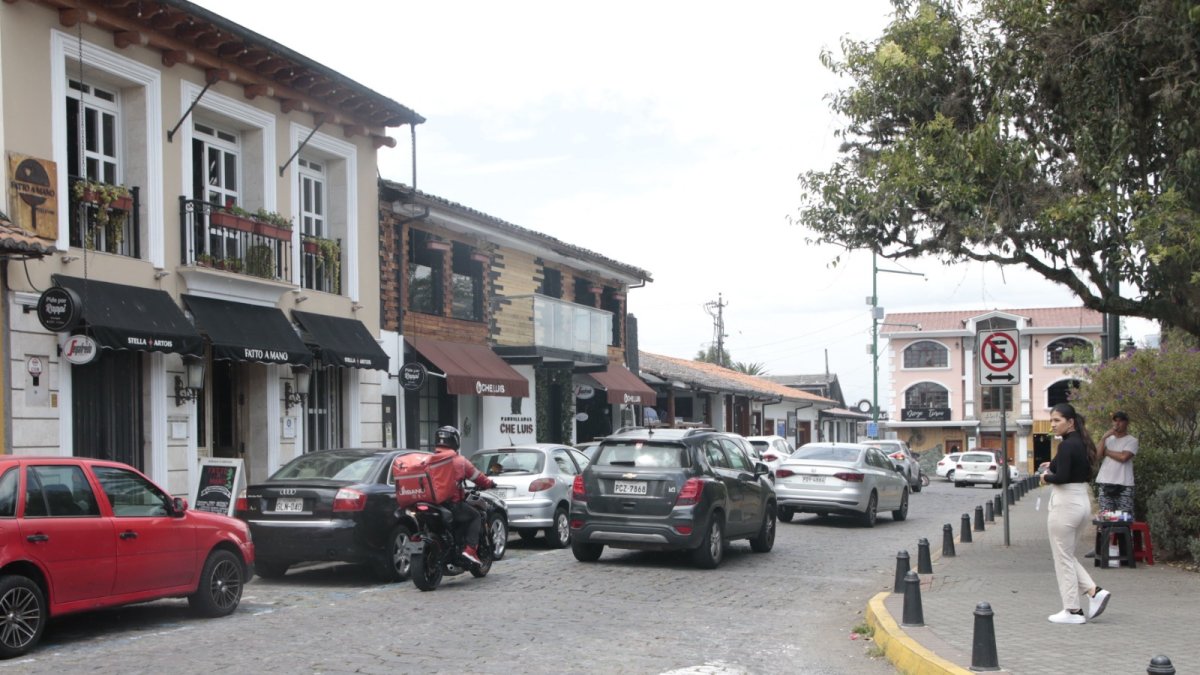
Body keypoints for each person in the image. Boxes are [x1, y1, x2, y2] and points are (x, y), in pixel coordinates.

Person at [1041, 403, 1111, 624]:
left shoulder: (1067, 446)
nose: (1053, 425)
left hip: (1065, 503)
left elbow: (1060, 476)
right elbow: (1069, 468)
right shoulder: (1081, 443)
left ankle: (1072, 610)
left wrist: (1045, 477)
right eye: (1051, 420)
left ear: (1070, 422)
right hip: (1082, 501)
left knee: (1062, 557)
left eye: (1057, 420)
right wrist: (1051, 465)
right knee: (1067, 555)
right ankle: (1093, 592)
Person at [433, 425, 495, 566]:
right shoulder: (459, 461)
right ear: (455, 441)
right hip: (452, 504)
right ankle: (470, 549)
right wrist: (490, 483)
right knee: (475, 516)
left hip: (433, 504)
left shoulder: (429, 459)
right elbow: (477, 477)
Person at [1095, 411, 1138, 514]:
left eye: (1120, 421)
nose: (1117, 424)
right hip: (1105, 482)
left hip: (1124, 484)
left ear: (1127, 423)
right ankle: (1107, 531)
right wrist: (1103, 438)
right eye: (1115, 421)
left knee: (1124, 518)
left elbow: (1124, 457)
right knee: (1106, 518)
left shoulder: (1132, 440)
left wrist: (1107, 452)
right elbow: (1097, 456)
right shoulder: (1108, 439)